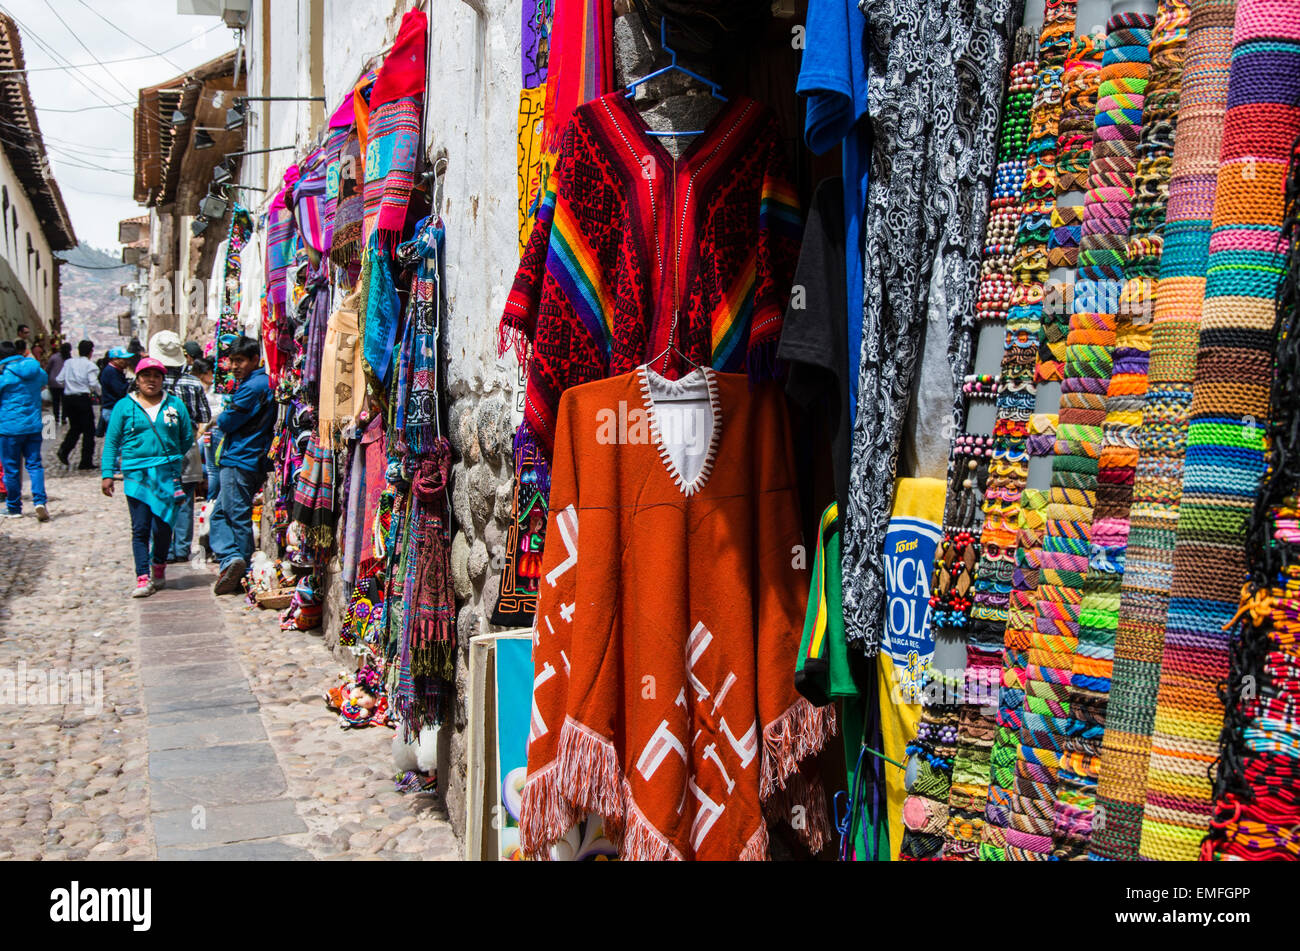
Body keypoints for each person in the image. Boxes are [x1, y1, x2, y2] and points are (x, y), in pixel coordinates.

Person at [100, 357, 194, 597]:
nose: (151, 380)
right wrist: (107, 473)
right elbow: (111, 441)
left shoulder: (175, 405)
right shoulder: (124, 406)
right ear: (137, 379)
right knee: (140, 527)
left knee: (164, 526)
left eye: (156, 376)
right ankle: (142, 577)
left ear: (162, 379)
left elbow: (186, 437)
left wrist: (171, 458)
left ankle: (159, 565)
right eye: (146, 376)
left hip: (166, 473)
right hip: (136, 474)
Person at [210, 336, 275, 595]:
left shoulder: (253, 387)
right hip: (246, 457)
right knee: (220, 513)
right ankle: (231, 559)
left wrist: (221, 418)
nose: (234, 366)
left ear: (254, 360)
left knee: (236, 515)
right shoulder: (258, 382)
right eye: (232, 361)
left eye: (240, 361)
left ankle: (240, 566)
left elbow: (227, 422)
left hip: (241, 457)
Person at [149, 331, 212, 562]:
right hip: (186, 446)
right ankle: (182, 549)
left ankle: (161, 549)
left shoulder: (152, 383)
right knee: (184, 499)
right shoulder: (193, 383)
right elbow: (205, 416)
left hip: (157, 448)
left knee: (159, 497)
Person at [0, 339, 49, 520]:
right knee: (35, 465)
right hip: (33, 425)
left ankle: (14, 507)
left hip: (9, 428)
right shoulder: (34, 369)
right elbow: (44, 381)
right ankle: (40, 501)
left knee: (11, 469)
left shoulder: (4, 374)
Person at [55, 340, 100, 470]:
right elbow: (93, 383)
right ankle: (85, 461)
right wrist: (100, 393)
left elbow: (59, 379)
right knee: (89, 431)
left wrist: (69, 386)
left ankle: (64, 449)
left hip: (69, 399)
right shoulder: (90, 365)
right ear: (91, 352)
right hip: (82, 399)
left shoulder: (69, 363)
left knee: (75, 427)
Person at [192, 357, 223, 500]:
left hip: (213, 429)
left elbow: (218, 410)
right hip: (207, 430)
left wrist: (205, 427)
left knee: (211, 468)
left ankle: (212, 498)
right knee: (198, 461)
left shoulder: (217, 388)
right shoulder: (203, 387)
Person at [98, 348, 131, 437]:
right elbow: (120, 391)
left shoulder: (115, 371)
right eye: (124, 359)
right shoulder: (111, 372)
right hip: (111, 410)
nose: (126, 362)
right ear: (115, 359)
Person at [47, 343, 70, 425]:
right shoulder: (69, 359)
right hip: (65, 383)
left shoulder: (54, 357)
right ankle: (64, 417)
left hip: (53, 382)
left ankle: (56, 417)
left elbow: (48, 368)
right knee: (65, 401)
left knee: (55, 401)